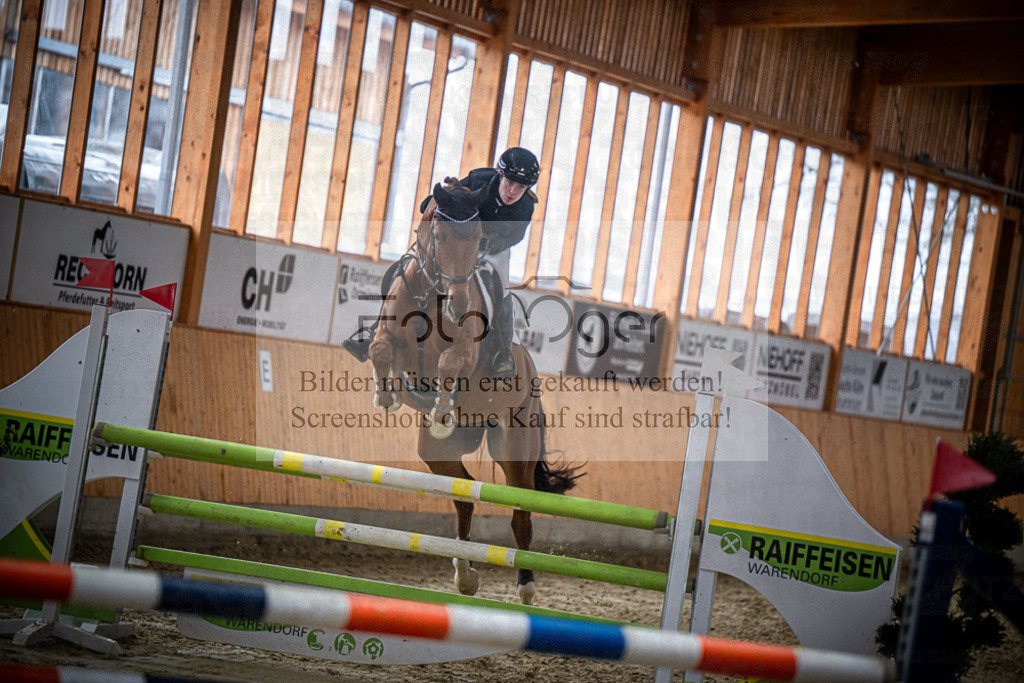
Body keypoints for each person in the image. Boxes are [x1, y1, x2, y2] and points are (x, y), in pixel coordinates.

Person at [342, 147, 541, 379]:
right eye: (509, 183)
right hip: (455, 242)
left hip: (491, 250)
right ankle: (374, 331)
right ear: (499, 175)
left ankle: (503, 353)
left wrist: (488, 243)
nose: (513, 191)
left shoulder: (525, 206)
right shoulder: (479, 179)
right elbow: (441, 200)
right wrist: (442, 199)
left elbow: (515, 237)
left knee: (502, 291)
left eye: (521, 187)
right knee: (404, 269)